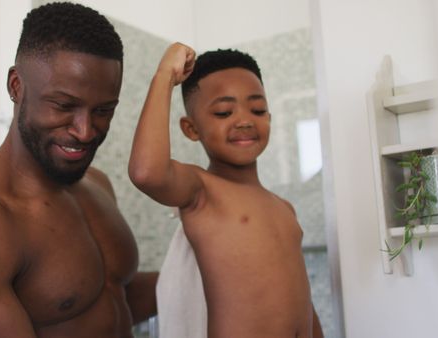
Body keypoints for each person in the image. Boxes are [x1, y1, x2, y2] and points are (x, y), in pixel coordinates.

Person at [0, 3, 157, 337]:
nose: (85, 131)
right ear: (17, 86)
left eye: (103, 110)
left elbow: (107, 301)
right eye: (64, 106)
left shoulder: (97, 184)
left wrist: (221, 260)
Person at [129, 42, 324, 338]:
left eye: (257, 109)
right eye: (223, 112)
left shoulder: (284, 209)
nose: (244, 120)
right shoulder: (202, 192)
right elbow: (146, 173)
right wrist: (164, 77)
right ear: (191, 129)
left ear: (269, 117)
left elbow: (302, 304)